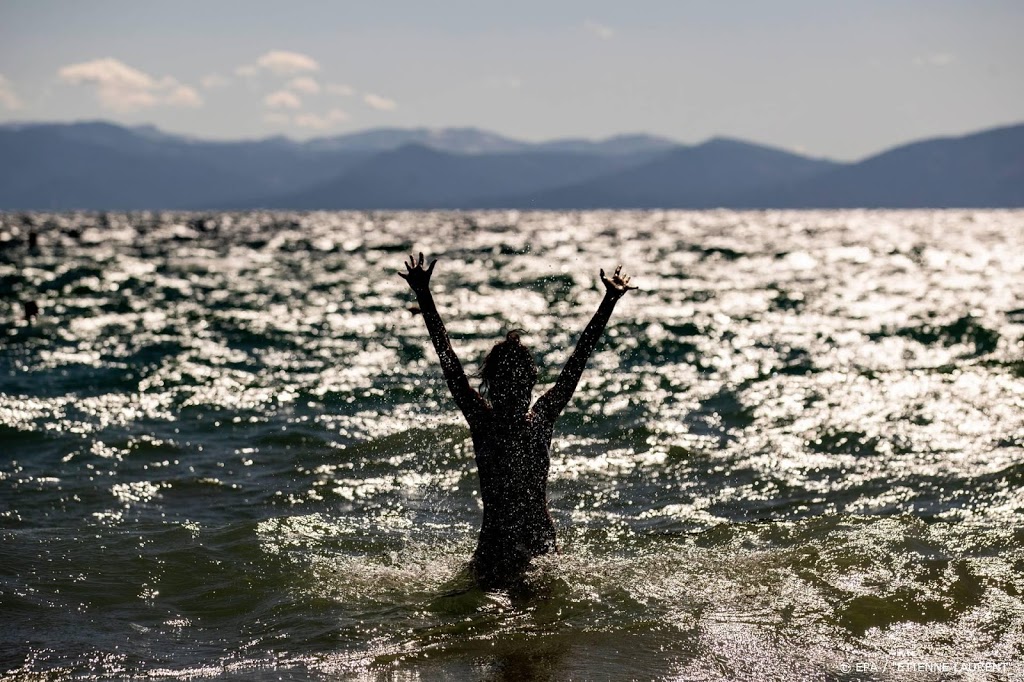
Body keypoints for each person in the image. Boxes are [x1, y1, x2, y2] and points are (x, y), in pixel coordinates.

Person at [399, 252, 636, 588]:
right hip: (513, 550)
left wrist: (609, 301)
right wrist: (422, 295)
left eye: (517, 381)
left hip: (524, 550)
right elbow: (447, 359)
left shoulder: (506, 418)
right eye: (507, 382)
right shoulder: (515, 418)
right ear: (496, 386)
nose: (512, 389)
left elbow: (579, 357)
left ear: (527, 383)